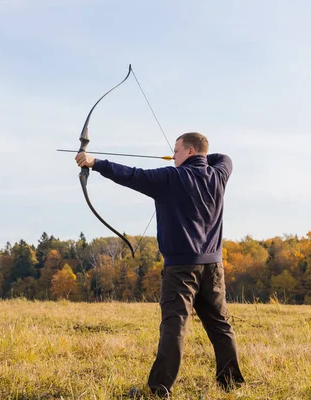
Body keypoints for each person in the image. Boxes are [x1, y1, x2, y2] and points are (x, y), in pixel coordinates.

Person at [75, 132, 244, 397]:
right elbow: (224, 158)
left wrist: (94, 162)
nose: (172, 155)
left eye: (176, 150)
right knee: (220, 325)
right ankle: (231, 384)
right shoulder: (219, 175)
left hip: (181, 269)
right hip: (213, 266)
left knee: (174, 326)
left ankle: (158, 389)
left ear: (189, 151)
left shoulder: (170, 178)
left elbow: (131, 175)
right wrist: (200, 159)